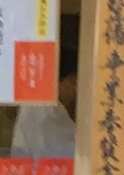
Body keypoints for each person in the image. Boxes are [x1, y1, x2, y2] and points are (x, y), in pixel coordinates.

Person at [11, 29, 78, 160]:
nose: (76, 88)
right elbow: (19, 153)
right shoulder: (34, 107)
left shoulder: (81, 105)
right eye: (73, 81)